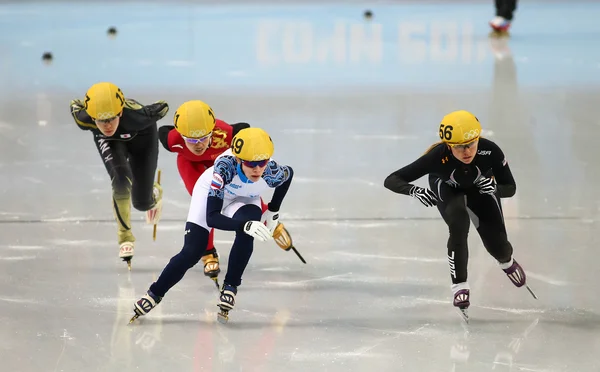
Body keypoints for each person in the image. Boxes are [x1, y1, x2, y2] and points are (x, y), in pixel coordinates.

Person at [131, 127, 294, 324]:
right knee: (192, 250)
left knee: (250, 223)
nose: (258, 169)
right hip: (211, 195)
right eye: (251, 163)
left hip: (244, 199)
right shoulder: (224, 168)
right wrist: (243, 225)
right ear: (240, 159)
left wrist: (273, 210)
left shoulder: (271, 171)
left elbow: (288, 175)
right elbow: (212, 218)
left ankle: (231, 286)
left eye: (262, 163)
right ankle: (154, 293)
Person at [383, 110, 534, 322]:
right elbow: (392, 179)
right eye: (459, 147)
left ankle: (506, 261)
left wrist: (494, 188)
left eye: (471, 144)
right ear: (448, 145)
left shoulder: (491, 151)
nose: (466, 151)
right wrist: (415, 191)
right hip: (447, 188)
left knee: (497, 245)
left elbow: (510, 187)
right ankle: (460, 285)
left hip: (481, 189)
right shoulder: (436, 157)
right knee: (459, 223)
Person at [157, 100, 296, 287]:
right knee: (206, 201)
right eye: (190, 139)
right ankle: (207, 251)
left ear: (212, 131)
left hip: (222, 165)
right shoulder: (173, 141)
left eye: (204, 137)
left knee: (245, 188)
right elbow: (163, 132)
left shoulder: (224, 133)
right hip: (192, 164)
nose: (198, 145)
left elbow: (244, 130)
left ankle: (267, 220)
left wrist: (271, 211)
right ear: (181, 136)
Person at [70, 82, 169, 269]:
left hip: (142, 138)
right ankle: (125, 237)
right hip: (111, 142)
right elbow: (74, 104)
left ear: (121, 112)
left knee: (141, 203)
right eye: (101, 120)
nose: (107, 125)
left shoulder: (138, 116)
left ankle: (154, 192)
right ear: (92, 117)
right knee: (121, 179)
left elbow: (163, 106)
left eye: (112, 119)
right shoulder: (85, 119)